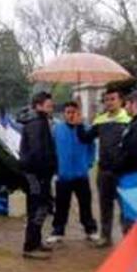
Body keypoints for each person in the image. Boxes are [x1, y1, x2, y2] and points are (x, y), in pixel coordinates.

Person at [77, 88, 131, 248]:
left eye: (112, 99)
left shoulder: (128, 120)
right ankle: (105, 237)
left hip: (123, 172)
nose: (109, 102)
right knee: (105, 205)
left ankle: (128, 239)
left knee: (125, 207)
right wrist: (80, 122)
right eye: (106, 100)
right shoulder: (100, 121)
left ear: (121, 101)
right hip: (104, 171)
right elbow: (85, 138)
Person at [48, 101, 97, 245]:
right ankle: (58, 231)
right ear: (64, 114)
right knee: (61, 204)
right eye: (68, 112)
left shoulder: (85, 129)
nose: (71, 115)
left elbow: (92, 148)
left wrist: (88, 163)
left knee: (85, 203)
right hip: (63, 174)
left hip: (81, 174)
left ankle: (90, 229)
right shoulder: (57, 129)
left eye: (73, 112)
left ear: (78, 113)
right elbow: (52, 150)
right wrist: (55, 168)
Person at [18, 91, 57, 259]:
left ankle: (36, 241)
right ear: (38, 106)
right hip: (36, 174)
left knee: (41, 208)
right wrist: (44, 171)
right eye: (48, 105)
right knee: (36, 208)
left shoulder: (41, 120)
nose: (51, 108)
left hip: (41, 173)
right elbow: (36, 152)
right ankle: (29, 246)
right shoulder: (36, 123)